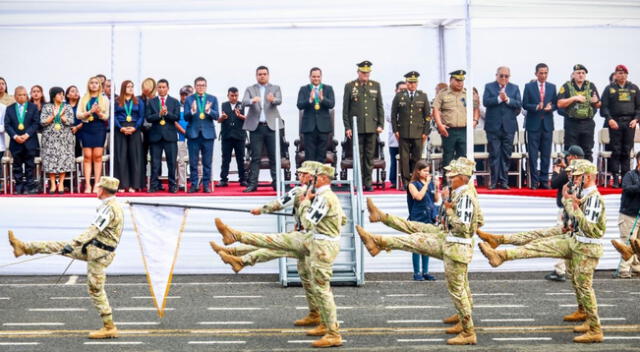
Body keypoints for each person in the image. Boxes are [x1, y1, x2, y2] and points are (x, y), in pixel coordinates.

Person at [215, 164, 346, 348]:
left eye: (311, 176)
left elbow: (309, 222)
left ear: (322, 178)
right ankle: (237, 249)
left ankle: (333, 333)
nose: (303, 177)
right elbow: (342, 219)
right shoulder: (323, 196)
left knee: (319, 286)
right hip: (317, 241)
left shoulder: (323, 197)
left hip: (320, 244)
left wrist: (306, 203)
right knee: (279, 248)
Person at [357, 157, 483, 345]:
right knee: (414, 228)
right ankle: (382, 218)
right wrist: (448, 219)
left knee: (416, 243)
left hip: (456, 245)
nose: (449, 177)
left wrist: (449, 213)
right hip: (451, 238)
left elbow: (464, 226)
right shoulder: (464, 192)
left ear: (463, 177)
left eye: (453, 175)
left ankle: (468, 331)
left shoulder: (464, 195)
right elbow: (479, 220)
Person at [479, 160, 605, 344]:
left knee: (584, 287)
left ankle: (595, 329)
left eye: (577, 175)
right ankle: (501, 250)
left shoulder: (594, 198)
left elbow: (591, 229)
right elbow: (575, 217)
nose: (574, 178)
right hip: (576, 241)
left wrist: (572, 206)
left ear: (587, 176)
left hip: (587, 247)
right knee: (539, 245)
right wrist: (570, 205)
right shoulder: (584, 194)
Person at [8, 176, 124, 339]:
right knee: (56, 246)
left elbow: (93, 229)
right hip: (94, 249)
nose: (96, 190)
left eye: (98, 188)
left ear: (103, 190)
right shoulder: (112, 205)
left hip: (99, 254)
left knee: (95, 289)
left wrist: (74, 243)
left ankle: (109, 326)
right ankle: (24, 248)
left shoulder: (109, 208)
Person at [544, 145, 584, 282]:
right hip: (577, 208)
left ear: (574, 157)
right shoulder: (584, 169)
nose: (567, 158)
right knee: (574, 239)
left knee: (562, 238)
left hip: (565, 209)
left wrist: (556, 171)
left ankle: (559, 270)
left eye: (569, 156)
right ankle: (574, 269)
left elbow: (554, 183)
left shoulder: (570, 169)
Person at [342, 60, 384, 191]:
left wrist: (380, 124)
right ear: (358, 72)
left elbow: (379, 106)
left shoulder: (376, 85)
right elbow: (346, 109)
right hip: (356, 127)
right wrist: (347, 127)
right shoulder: (350, 86)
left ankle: (368, 182)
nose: (365, 74)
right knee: (358, 156)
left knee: (369, 156)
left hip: (372, 126)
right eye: (363, 72)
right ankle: (359, 182)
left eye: (367, 72)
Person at [242, 66, 283, 192]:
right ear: (256, 76)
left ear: (268, 75)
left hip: (271, 127)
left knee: (274, 156)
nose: (262, 76)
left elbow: (279, 100)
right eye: (260, 74)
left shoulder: (275, 88)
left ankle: (276, 183)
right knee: (255, 157)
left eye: (264, 74)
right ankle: (253, 184)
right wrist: (252, 100)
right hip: (256, 127)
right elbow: (244, 102)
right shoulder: (250, 89)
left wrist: (273, 99)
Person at [600, 64, 640, 187]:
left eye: (623, 73)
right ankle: (615, 179)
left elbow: (639, 107)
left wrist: (636, 119)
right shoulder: (609, 89)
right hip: (615, 123)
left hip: (629, 123)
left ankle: (626, 179)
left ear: (627, 75)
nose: (621, 75)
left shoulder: (634, 88)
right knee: (615, 151)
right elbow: (604, 107)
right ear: (615, 75)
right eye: (618, 73)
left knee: (626, 151)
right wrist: (610, 119)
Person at [483, 66, 522, 190]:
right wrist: (499, 99)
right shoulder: (489, 86)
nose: (504, 78)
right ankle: (494, 181)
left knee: (506, 155)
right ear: (496, 75)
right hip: (493, 127)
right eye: (501, 75)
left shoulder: (514, 88)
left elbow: (518, 104)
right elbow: (486, 102)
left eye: (506, 76)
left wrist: (508, 99)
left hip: (509, 127)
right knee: (494, 154)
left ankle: (504, 181)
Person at [392, 71, 431, 187]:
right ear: (406, 82)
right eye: (410, 82)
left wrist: (425, 132)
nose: (412, 85)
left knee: (417, 158)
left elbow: (427, 116)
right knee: (404, 158)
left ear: (417, 83)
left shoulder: (423, 96)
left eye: (414, 82)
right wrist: (395, 130)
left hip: (418, 132)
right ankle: (406, 181)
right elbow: (394, 115)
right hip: (403, 131)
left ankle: (415, 180)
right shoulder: (399, 96)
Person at [433, 70, 478, 171]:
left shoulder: (468, 93)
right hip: (448, 130)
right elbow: (435, 109)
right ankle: (446, 183)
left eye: (461, 81)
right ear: (451, 80)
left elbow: (476, 107)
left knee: (462, 156)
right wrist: (439, 125)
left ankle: (460, 182)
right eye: (457, 80)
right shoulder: (443, 93)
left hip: (464, 130)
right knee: (448, 156)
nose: (460, 83)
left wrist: (475, 120)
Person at [523, 63, 557, 189]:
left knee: (546, 154)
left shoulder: (552, 87)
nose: (543, 75)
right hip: (533, 125)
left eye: (545, 73)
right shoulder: (529, 86)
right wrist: (536, 107)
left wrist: (551, 107)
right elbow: (525, 104)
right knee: (533, 155)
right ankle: (534, 182)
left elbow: (555, 104)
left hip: (547, 125)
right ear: (536, 73)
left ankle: (544, 181)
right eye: (541, 73)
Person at [558, 64, 601, 162]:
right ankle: (570, 176)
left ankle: (587, 175)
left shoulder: (591, 86)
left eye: (583, 73)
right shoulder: (566, 86)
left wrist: (596, 102)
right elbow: (559, 104)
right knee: (571, 151)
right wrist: (574, 98)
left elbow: (598, 104)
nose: (581, 75)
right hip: (572, 124)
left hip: (587, 123)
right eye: (578, 73)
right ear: (573, 74)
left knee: (587, 150)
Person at [184, 76, 219, 193]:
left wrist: (209, 110)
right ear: (195, 87)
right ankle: (194, 184)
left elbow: (217, 116)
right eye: (198, 85)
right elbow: (185, 117)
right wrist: (192, 111)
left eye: (203, 85)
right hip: (193, 134)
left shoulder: (212, 99)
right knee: (193, 162)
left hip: (208, 134)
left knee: (207, 162)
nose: (200, 87)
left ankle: (206, 184)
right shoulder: (189, 99)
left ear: (206, 86)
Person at [407, 160, 440, 281]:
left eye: (428, 171)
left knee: (426, 245)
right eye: (425, 171)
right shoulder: (413, 184)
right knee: (416, 245)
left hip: (429, 217)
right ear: (418, 171)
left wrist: (436, 187)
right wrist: (426, 184)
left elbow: (436, 199)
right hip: (417, 217)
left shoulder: (430, 184)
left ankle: (425, 271)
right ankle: (417, 272)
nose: (427, 173)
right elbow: (418, 197)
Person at [4, 86, 40, 194]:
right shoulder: (10, 108)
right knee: (17, 165)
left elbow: (35, 123)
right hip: (16, 142)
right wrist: (15, 136)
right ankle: (19, 186)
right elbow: (7, 125)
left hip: (29, 141)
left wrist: (27, 135)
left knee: (30, 165)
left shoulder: (33, 107)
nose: (22, 97)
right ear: (15, 96)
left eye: (24, 94)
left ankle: (29, 186)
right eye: (19, 95)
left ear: (27, 96)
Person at [147, 79, 180, 193]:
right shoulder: (151, 102)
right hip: (155, 136)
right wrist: (159, 114)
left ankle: (172, 185)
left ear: (168, 88)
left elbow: (176, 117)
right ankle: (154, 184)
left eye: (163, 87)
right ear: (157, 88)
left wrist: (166, 114)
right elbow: (149, 118)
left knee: (171, 162)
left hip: (170, 136)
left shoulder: (174, 101)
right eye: (159, 87)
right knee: (155, 163)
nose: (161, 89)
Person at [610, 151, 640, 278]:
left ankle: (636, 267)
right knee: (627, 242)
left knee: (638, 243)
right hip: (629, 215)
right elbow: (626, 189)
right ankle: (623, 269)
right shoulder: (630, 175)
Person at [77, 76, 109, 193]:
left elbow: (106, 116)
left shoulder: (104, 99)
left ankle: (96, 184)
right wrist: (89, 112)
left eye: (96, 83)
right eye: (92, 83)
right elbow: (78, 115)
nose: (94, 85)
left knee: (97, 156)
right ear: (88, 85)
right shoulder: (84, 98)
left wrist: (99, 113)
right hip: (87, 127)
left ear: (99, 85)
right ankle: (87, 185)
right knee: (87, 157)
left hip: (99, 128)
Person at [40, 87, 75, 194]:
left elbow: (71, 121)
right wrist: (53, 116)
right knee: (50, 159)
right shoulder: (46, 107)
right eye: (59, 94)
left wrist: (61, 116)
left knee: (63, 159)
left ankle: (61, 183)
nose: (62, 96)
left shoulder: (67, 107)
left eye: (63, 94)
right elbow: (43, 122)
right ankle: (52, 184)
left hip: (64, 138)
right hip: (49, 138)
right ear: (53, 95)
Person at [297, 67, 335, 163]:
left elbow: (331, 104)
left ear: (321, 77)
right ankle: (310, 178)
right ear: (310, 77)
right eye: (314, 76)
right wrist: (310, 99)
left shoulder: (328, 89)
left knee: (321, 156)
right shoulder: (304, 89)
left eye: (318, 76)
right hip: (309, 128)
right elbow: (299, 105)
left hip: (323, 127)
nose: (316, 78)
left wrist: (322, 98)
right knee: (309, 156)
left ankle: (319, 178)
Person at [113, 80, 144, 193]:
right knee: (121, 157)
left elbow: (141, 116)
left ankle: (134, 185)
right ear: (123, 88)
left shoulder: (138, 101)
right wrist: (120, 127)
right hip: (120, 129)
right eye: (128, 87)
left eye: (132, 86)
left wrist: (135, 127)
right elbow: (114, 116)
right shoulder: (117, 101)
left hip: (134, 129)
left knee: (134, 157)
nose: (130, 88)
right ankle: (121, 184)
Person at [218, 87, 248, 187]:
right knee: (226, 159)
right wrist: (222, 118)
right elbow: (219, 120)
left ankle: (243, 179)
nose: (234, 97)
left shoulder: (242, 105)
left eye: (236, 95)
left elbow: (248, 119)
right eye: (232, 95)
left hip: (239, 136)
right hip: (227, 135)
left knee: (240, 159)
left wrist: (240, 116)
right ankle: (224, 179)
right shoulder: (224, 105)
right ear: (228, 96)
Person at [385, 81, 407, 188]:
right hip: (394, 136)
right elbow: (389, 117)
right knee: (394, 159)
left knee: (406, 159)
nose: (403, 92)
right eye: (400, 89)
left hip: (408, 135)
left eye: (405, 90)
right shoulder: (390, 102)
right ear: (396, 90)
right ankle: (393, 181)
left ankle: (405, 180)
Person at [138, 77, 157, 190]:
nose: (146, 90)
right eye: (144, 88)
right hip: (141, 131)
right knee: (142, 157)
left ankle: (155, 182)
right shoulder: (138, 99)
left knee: (155, 157)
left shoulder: (156, 100)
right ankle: (142, 181)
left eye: (148, 88)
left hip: (154, 131)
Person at [176, 85, 193, 190]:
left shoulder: (194, 106)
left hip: (193, 137)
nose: (184, 97)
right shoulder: (176, 106)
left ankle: (197, 181)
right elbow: (175, 121)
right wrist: (184, 131)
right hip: (181, 138)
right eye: (183, 95)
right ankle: (182, 183)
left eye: (187, 95)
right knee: (181, 162)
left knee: (196, 161)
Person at [65, 85, 83, 158]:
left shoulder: (82, 105)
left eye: (77, 91)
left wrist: (77, 127)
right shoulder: (63, 106)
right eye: (73, 91)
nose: (76, 93)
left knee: (78, 156)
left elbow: (86, 119)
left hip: (80, 132)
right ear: (67, 95)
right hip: (66, 133)